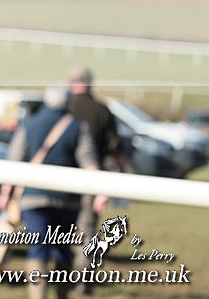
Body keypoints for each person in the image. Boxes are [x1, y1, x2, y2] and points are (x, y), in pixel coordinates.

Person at [0, 86, 107, 299]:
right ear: (68, 103)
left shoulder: (28, 125)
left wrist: (5, 194)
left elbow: (14, 161)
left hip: (33, 198)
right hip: (67, 200)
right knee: (62, 250)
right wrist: (100, 192)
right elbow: (89, 162)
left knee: (38, 247)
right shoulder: (78, 127)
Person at [66, 65, 125, 295]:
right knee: (87, 228)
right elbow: (114, 146)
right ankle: (83, 279)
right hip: (92, 178)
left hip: (61, 179)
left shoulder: (66, 108)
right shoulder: (102, 110)